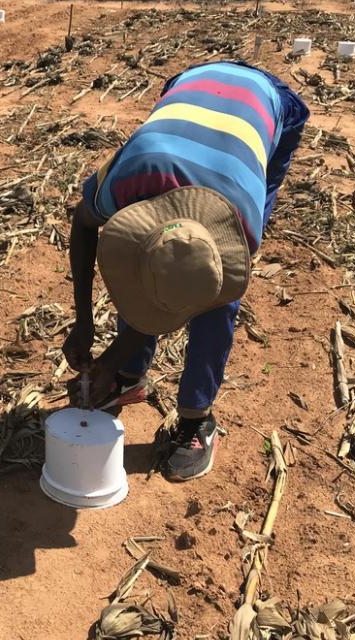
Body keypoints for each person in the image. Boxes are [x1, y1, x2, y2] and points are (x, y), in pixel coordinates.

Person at [63, 61, 309, 481]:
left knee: (214, 300)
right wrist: (83, 323)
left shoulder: (241, 228)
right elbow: (83, 224)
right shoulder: (127, 180)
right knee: (146, 264)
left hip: (269, 106)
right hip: (194, 84)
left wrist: (114, 349)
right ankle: (128, 376)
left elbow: (184, 289)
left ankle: (197, 420)